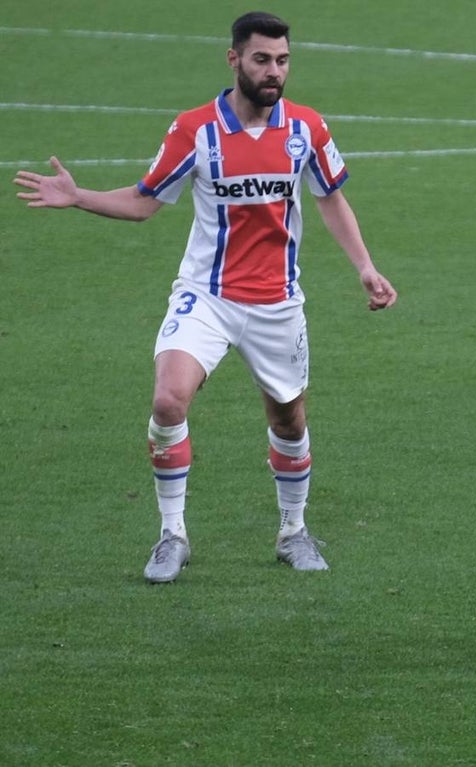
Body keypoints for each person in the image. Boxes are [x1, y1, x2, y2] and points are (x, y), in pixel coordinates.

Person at [12, 11, 397, 584]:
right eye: (262, 59)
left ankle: (293, 531)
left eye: (283, 60)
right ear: (234, 59)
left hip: (277, 304)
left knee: (289, 421)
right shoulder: (196, 130)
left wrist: (364, 266)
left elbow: (331, 197)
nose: (274, 71)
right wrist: (79, 196)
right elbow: (146, 201)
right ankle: (173, 535)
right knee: (169, 400)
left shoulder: (307, 129)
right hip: (207, 297)